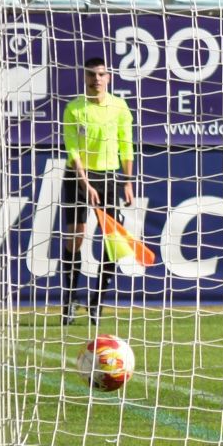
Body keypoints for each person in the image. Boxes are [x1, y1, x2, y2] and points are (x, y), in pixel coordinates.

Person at [61, 55, 136, 324]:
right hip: (77, 177)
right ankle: (69, 299)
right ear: (85, 77)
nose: (97, 79)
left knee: (112, 240)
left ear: (109, 78)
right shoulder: (74, 109)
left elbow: (126, 145)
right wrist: (84, 182)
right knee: (75, 238)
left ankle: (97, 301)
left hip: (109, 177)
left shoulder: (119, 107)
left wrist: (127, 181)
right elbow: (72, 150)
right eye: (92, 74)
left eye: (101, 75)